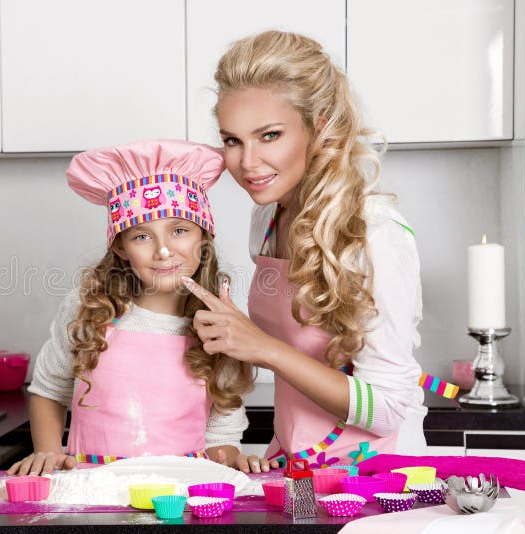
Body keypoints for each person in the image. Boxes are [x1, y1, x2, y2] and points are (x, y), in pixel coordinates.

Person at [181, 30, 427, 473]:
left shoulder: (376, 234)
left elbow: (390, 406)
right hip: (295, 463)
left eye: (269, 135)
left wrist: (264, 348)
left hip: (375, 475)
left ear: (323, 124)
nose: (248, 162)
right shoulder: (269, 216)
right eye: (232, 140)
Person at [8, 139, 254, 476]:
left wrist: (228, 457)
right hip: (92, 499)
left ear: (203, 236)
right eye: (142, 236)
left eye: (179, 230)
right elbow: (48, 390)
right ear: (121, 247)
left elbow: (222, 432)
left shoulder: (219, 322)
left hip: (179, 500)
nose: (164, 251)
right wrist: (49, 454)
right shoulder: (89, 311)